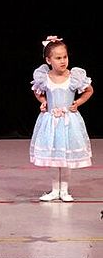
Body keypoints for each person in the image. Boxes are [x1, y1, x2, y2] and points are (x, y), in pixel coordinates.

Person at [30, 36, 93, 202]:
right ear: (48, 60)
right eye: (58, 58)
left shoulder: (74, 77)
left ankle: (64, 190)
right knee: (53, 158)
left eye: (65, 57)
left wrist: (77, 103)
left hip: (68, 122)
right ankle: (54, 190)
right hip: (50, 122)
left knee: (65, 159)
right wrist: (43, 102)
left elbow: (89, 90)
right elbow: (38, 92)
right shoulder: (44, 77)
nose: (63, 61)